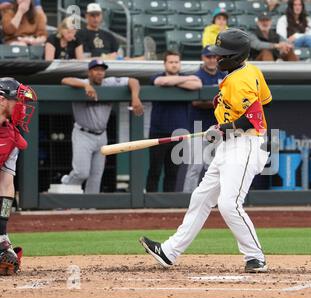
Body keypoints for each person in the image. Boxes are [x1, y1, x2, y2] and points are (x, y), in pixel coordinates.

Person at [140, 28, 272, 273]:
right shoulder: (248, 71)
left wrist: (225, 128)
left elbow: (255, 119)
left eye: (222, 54)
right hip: (230, 144)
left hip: (246, 144)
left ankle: (255, 257)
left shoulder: (242, 78)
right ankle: (169, 252)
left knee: (229, 204)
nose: (217, 58)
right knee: (201, 197)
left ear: (235, 56)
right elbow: (261, 102)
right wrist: (222, 127)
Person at [60, 59, 143, 194]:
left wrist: (135, 96)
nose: (99, 73)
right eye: (96, 70)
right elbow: (65, 80)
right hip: (83, 134)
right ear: (89, 72)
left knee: (96, 176)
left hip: (101, 135)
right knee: (81, 173)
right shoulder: (83, 82)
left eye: (102, 70)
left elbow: (133, 81)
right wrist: (84, 86)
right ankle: (64, 187)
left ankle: (90, 207)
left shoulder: (108, 83)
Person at [146, 51, 202, 192]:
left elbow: (198, 84)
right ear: (165, 64)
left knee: (172, 172)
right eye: (171, 62)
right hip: (158, 132)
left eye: (176, 62)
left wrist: (176, 81)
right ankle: (150, 203)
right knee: (155, 170)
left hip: (179, 133)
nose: (174, 64)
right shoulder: (157, 76)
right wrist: (184, 80)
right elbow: (162, 81)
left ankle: (167, 203)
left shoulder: (185, 77)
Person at [0, 77, 37, 275]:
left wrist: (1, 233)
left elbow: (6, 186)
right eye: (18, 101)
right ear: (2, 100)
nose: (22, 108)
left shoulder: (12, 138)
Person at [183, 46, 227, 193]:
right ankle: (187, 198)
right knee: (195, 167)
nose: (212, 60)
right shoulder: (197, 76)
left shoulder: (223, 75)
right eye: (209, 57)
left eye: (215, 57)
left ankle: (213, 198)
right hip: (198, 127)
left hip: (217, 127)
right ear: (203, 58)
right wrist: (218, 102)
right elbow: (196, 102)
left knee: (215, 167)